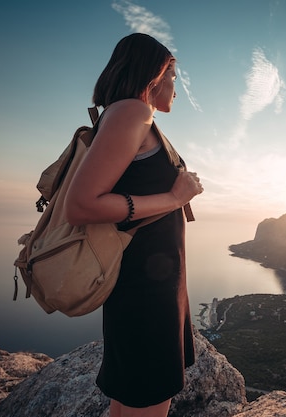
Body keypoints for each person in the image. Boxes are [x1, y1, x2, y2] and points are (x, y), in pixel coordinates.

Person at [64, 33, 203, 417]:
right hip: (146, 287)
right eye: (173, 74)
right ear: (154, 74)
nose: (176, 86)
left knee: (131, 396)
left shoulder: (127, 114)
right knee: (149, 395)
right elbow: (81, 205)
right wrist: (176, 198)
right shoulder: (132, 112)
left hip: (147, 279)